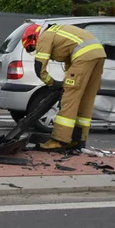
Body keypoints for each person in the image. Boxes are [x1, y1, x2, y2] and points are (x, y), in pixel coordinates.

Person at [22, 21, 106, 151]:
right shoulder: (58, 33)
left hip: (84, 55)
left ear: (34, 38)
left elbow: (39, 67)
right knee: (86, 100)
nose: (36, 50)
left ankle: (59, 141)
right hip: (98, 54)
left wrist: (52, 83)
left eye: (33, 48)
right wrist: (67, 80)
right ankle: (79, 140)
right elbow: (70, 62)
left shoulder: (44, 36)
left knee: (69, 99)